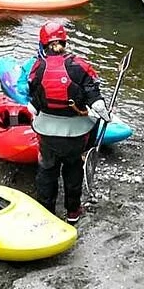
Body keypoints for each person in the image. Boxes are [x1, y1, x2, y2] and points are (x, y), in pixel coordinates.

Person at [26, 22, 109, 224]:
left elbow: (33, 102)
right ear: (64, 41)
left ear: (43, 44)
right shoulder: (80, 65)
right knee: (73, 170)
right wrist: (103, 112)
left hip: (47, 132)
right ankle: (73, 212)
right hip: (76, 133)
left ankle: (46, 213)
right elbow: (95, 98)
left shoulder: (37, 67)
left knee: (47, 171)